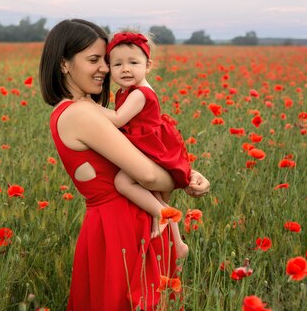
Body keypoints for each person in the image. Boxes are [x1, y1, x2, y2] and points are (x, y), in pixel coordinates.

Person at [38, 19, 210, 311]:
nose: (105, 69)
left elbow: (145, 156)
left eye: (104, 60)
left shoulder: (82, 110)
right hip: (123, 228)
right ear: (64, 64)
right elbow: (146, 174)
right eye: (94, 60)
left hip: (117, 226)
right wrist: (180, 178)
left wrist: (187, 173)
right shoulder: (81, 113)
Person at [99, 30, 191, 258]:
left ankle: (160, 214)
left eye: (133, 62)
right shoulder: (127, 90)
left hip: (149, 146)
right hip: (145, 143)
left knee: (123, 181)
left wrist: (86, 107)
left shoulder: (140, 94)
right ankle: (178, 245)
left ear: (148, 65)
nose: (125, 69)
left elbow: (119, 119)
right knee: (157, 195)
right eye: (117, 64)